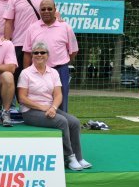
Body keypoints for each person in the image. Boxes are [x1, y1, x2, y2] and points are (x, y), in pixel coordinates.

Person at [18, 42, 92, 171]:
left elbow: (58, 95)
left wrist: (52, 108)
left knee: (74, 122)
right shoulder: (25, 73)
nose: (39, 55)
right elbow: (22, 98)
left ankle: (79, 157)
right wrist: (42, 108)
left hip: (50, 108)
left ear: (48, 55)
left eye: (42, 52)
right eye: (36, 52)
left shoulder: (53, 73)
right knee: (61, 121)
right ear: (32, 55)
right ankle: (69, 157)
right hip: (30, 111)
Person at [23, 0, 78, 112]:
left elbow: (73, 51)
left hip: (60, 70)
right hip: (38, 72)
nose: (46, 11)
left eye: (49, 9)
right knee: (38, 102)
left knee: (61, 104)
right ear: (39, 11)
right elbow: (28, 53)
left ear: (55, 10)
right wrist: (26, 72)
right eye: (43, 9)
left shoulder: (66, 27)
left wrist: (63, 62)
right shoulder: (32, 28)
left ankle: (63, 127)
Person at [3, 0, 53, 84]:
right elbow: (8, 22)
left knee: (42, 78)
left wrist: (59, 18)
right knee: (18, 78)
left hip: (41, 44)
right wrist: (7, 42)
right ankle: (16, 102)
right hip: (19, 43)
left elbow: (54, 12)